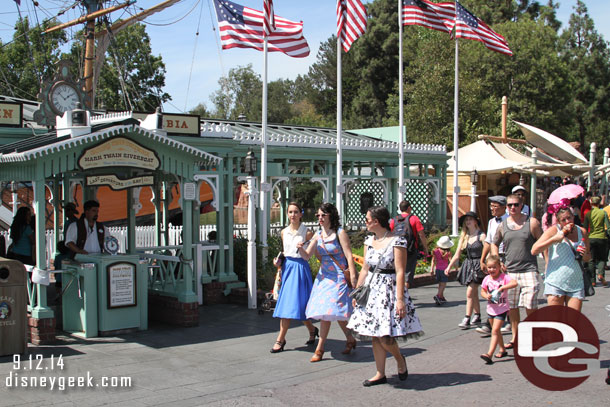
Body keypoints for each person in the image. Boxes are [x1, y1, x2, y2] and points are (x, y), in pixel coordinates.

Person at [347, 206, 423, 386]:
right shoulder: (368, 241)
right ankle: (380, 372)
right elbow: (365, 269)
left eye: (367, 219)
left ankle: (399, 359)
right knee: (375, 334)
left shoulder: (397, 241)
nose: (365, 222)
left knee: (385, 336)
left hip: (388, 289)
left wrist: (400, 299)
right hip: (372, 290)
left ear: (377, 221)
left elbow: (400, 271)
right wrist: (357, 292)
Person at [298, 203, 358, 363]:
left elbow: (349, 255)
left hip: (338, 277)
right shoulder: (317, 235)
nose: (320, 218)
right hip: (324, 277)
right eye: (318, 216)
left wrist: (352, 275)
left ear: (331, 215)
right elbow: (307, 256)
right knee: (333, 312)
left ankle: (320, 348)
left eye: (323, 215)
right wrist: (300, 249)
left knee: (329, 311)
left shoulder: (340, 233)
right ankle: (350, 339)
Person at [491, 194, 543, 350]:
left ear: (522, 206)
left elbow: (542, 241)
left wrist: (547, 264)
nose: (512, 208)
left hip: (529, 269)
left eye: (515, 205)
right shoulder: (503, 225)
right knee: (512, 306)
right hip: (511, 271)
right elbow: (494, 243)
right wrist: (498, 260)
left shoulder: (531, 223)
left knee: (530, 302)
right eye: (509, 205)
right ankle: (516, 336)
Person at [270, 202, 318, 353]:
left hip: (300, 268)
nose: (293, 215)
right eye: (290, 212)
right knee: (289, 304)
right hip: (287, 268)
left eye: (296, 212)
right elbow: (285, 252)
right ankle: (311, 330)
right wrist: (278, 262)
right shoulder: (284, 232)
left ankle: (280, 339)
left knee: (298, 304)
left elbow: (309, 255)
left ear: (301, 214)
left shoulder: (307, 232)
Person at [531, 207, 590, 311]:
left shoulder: (582, 231)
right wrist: (554, 239)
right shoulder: (554, 231)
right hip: (555, 281)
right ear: (558, 221)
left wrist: (584, 254)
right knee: (556, 321)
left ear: (573, 217)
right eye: (563, 220)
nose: (567, 221)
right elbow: (534, 250)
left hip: (575, 282)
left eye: (569, 218)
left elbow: (588, 258)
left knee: (573, 322)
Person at [446, 211, 486, 329]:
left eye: (470, 219)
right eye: (466, 220)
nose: (468, 222)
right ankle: (477, 315)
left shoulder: (481, 236)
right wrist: (449, 266)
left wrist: (488, 265)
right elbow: (457, 254)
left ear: (475, 221)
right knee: (473, 293)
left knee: (470, 292)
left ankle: (467, 317)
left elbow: (487, 251)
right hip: (469, 265)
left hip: (479, 265)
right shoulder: (465, 237)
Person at [477, 196, 509, 337]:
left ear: (503, 207)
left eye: (495, 206)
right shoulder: (491, 222)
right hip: (495, 256)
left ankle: (505, 319)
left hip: (507, 256)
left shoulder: (509, 220)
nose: (492, 209)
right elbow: (488, 242)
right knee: (493, 287)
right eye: (491, 206)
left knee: (505, 289)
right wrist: (483, 259)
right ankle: (491, 322)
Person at [479, 255, 517, 364]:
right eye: (489, 267)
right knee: (497, 331)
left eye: (494, 267)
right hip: (491, 309)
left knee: (494, 330)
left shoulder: (504, 277)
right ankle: (502, 350)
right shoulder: (487, 279)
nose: (491, 270)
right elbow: (482, 291)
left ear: (499, 267)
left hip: (502, 308)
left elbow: (514, 283)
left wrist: (503, 287)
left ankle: (489, 354)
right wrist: (486, 296)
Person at [389, 200, 429, 289]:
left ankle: (397, 295)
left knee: (397, 272)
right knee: (407, 275)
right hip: (410, 249)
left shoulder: (394, 220)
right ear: (409, 208)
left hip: (396, 249)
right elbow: (421, 234)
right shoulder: (414, 219)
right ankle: (404, 297)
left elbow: (389, 234)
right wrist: (425, 248)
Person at [582, 196, 608, 287]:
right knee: (602, 258)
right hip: (602, 238)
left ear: (591, 203)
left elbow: (585, 228)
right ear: (599, 203)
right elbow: (608, 226)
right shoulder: (603, 212)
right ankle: (601, 274)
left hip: (591, 237)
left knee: (591, 259)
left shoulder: (588, 214)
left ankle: (592, 280)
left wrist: (584, 238)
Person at [429, 236, 453, 305]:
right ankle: (438, 295)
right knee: (443, 284)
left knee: (440, 284)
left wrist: (431, 269)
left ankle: (441, 296)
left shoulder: (436, 251)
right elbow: (451, 261)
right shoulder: (448, 252)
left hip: (437, 270)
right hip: (444, 270)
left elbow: (433, 261)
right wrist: (455, 267)